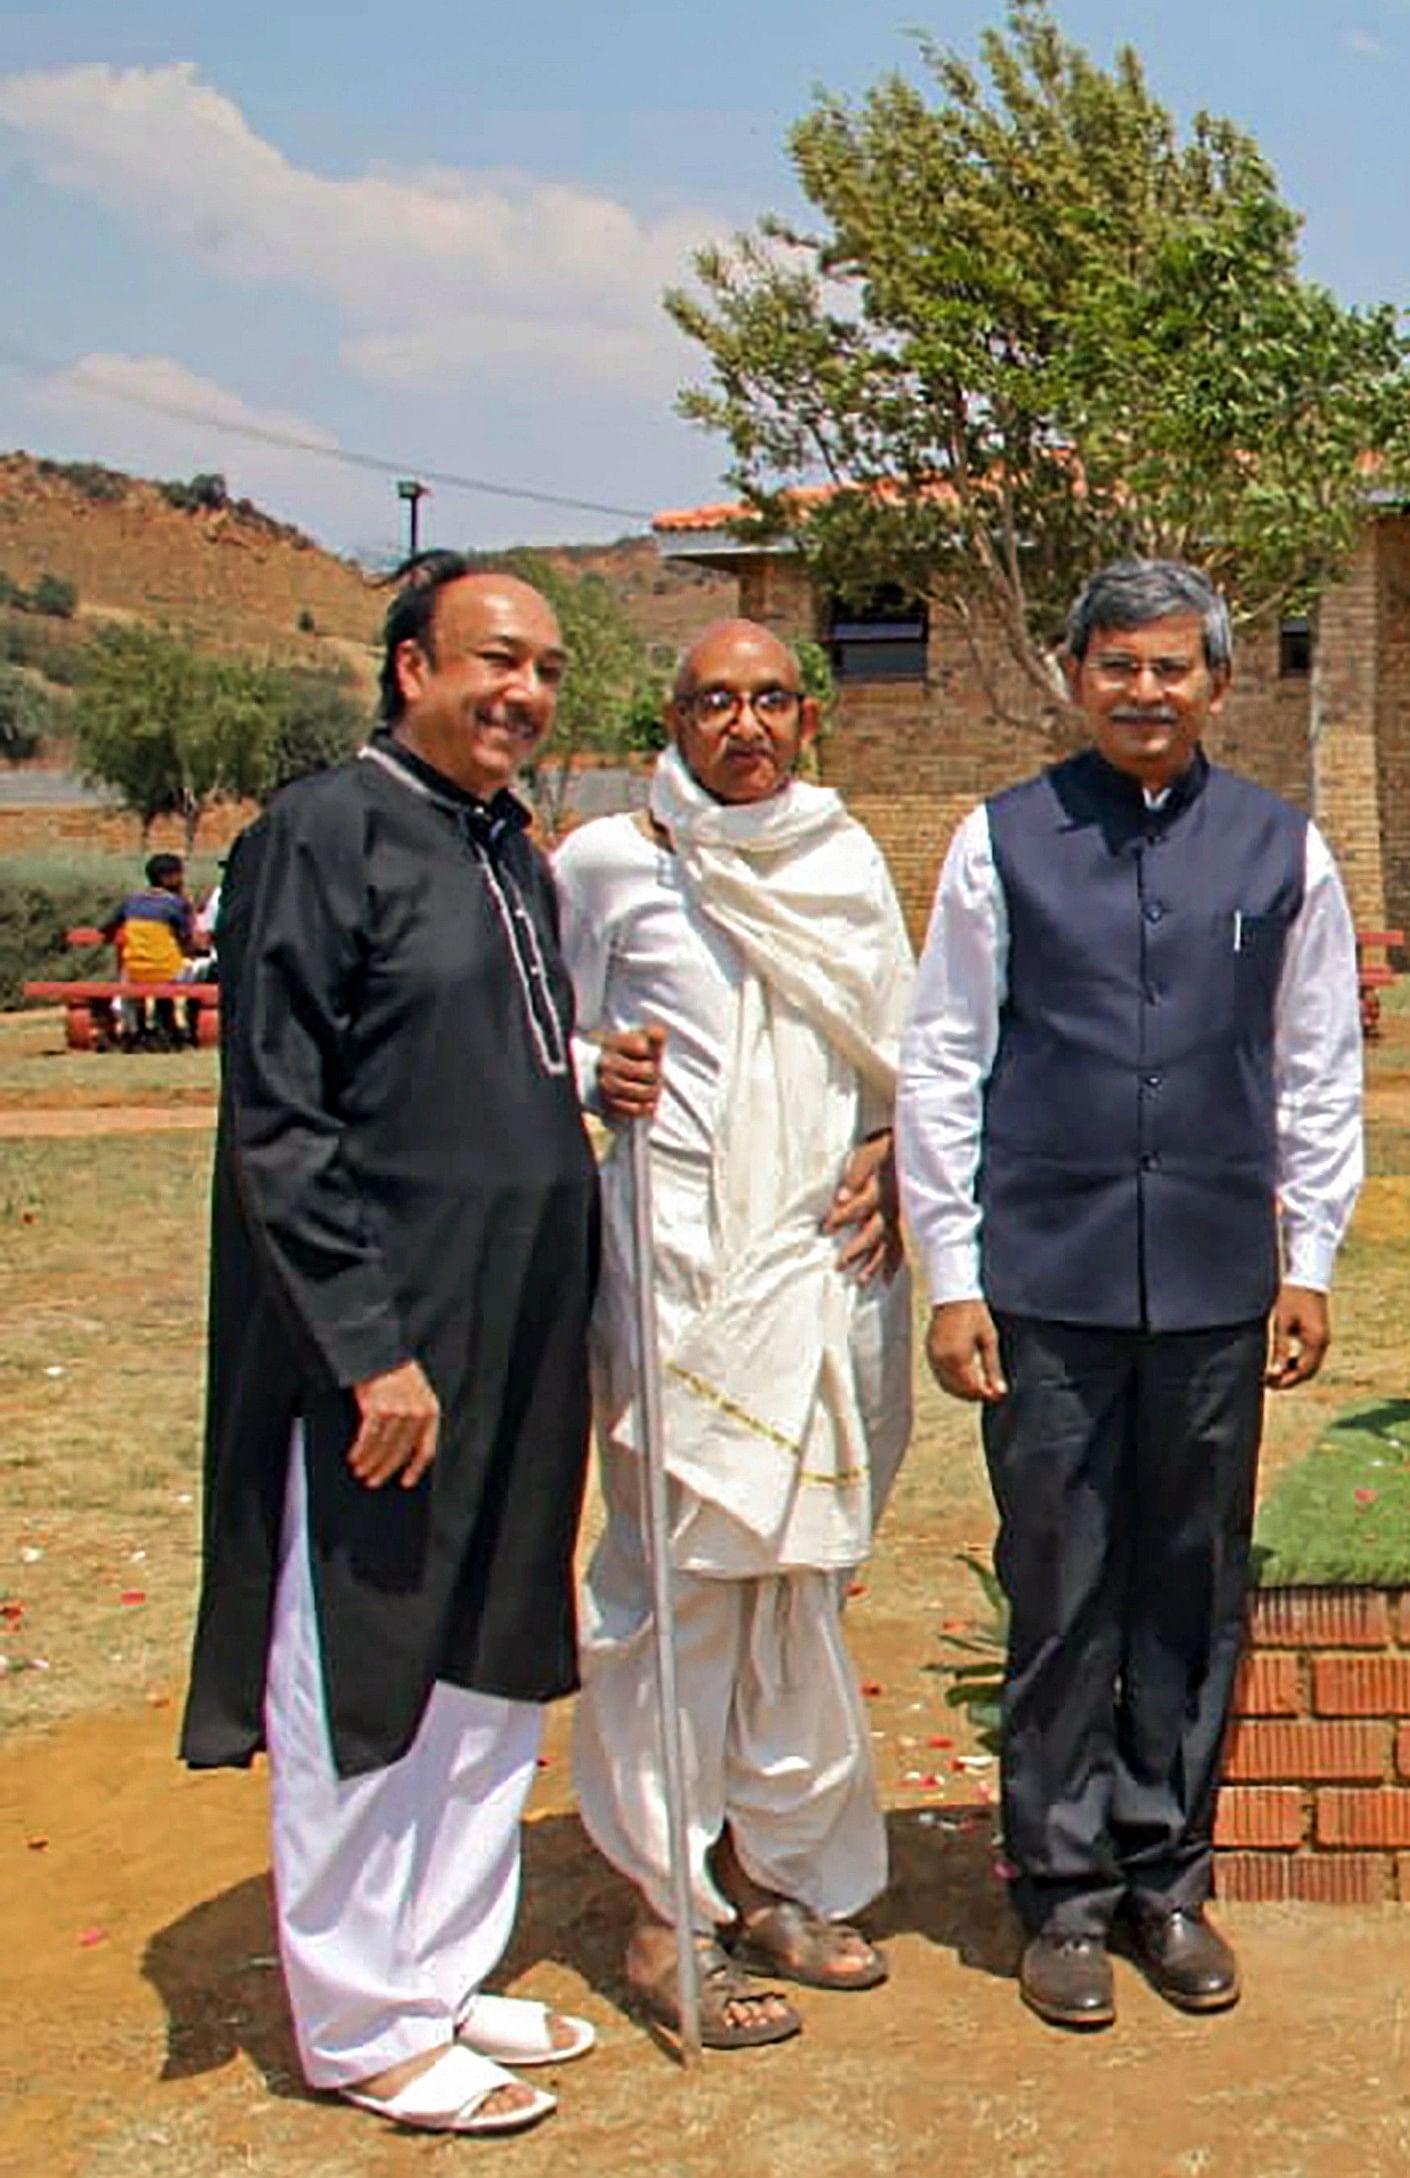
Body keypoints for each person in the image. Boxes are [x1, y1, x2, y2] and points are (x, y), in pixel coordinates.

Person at [181, 555, 644, 2135]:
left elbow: (451, 1040)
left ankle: (440, 1966)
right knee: (369, 1656)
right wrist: (367, 1346)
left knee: (494, 1651)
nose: (523, 692)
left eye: (546, 670)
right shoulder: (323, 832)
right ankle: (360, 2016)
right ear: (409, 668)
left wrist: (586, 1066)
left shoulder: (504, 844)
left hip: (521, 1319)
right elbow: (283, 1118)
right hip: (391, 1338)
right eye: (494, 661)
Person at [899, 558, 1365, 2032]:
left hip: (1219, 1283)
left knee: (1187, 1583)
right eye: (1119, 665)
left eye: (1174, 668)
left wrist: (1311, 1259)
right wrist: (951, 1271)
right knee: (1060, 1582)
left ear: (1220, 685)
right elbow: (941, 1059)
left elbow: (1317, 1071)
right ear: (1075, 674)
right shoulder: (999, 844)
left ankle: (1168, 1877)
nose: (1145, 691)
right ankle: (1059, 1893)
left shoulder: (1283, 850)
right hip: (1048, 1279)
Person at [557, 620, 915, 2051]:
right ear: (675, 715)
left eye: (772, 698)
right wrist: (599, 1064)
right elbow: (547, 1032)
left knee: (805, 1579)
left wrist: (890, 1151)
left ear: (811, 717)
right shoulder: (606, 861)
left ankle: (781, 1873)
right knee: (676, 1583)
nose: (745, 723)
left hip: (833, 1267)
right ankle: (665, 1903)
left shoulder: (844, 863)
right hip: (678, 1258)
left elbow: (905, 1055)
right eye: (717, 700)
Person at [107, 851, 202, 1047]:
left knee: (127, 973)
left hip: (136, 972)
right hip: (168, 971)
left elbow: (107, 927)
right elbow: (187, 941)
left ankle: (135, 1030)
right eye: (179, 874)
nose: (182, 879)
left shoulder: (131, 901)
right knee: (201, 970)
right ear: (168, 878)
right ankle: (183, 1029)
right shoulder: (176, 904)